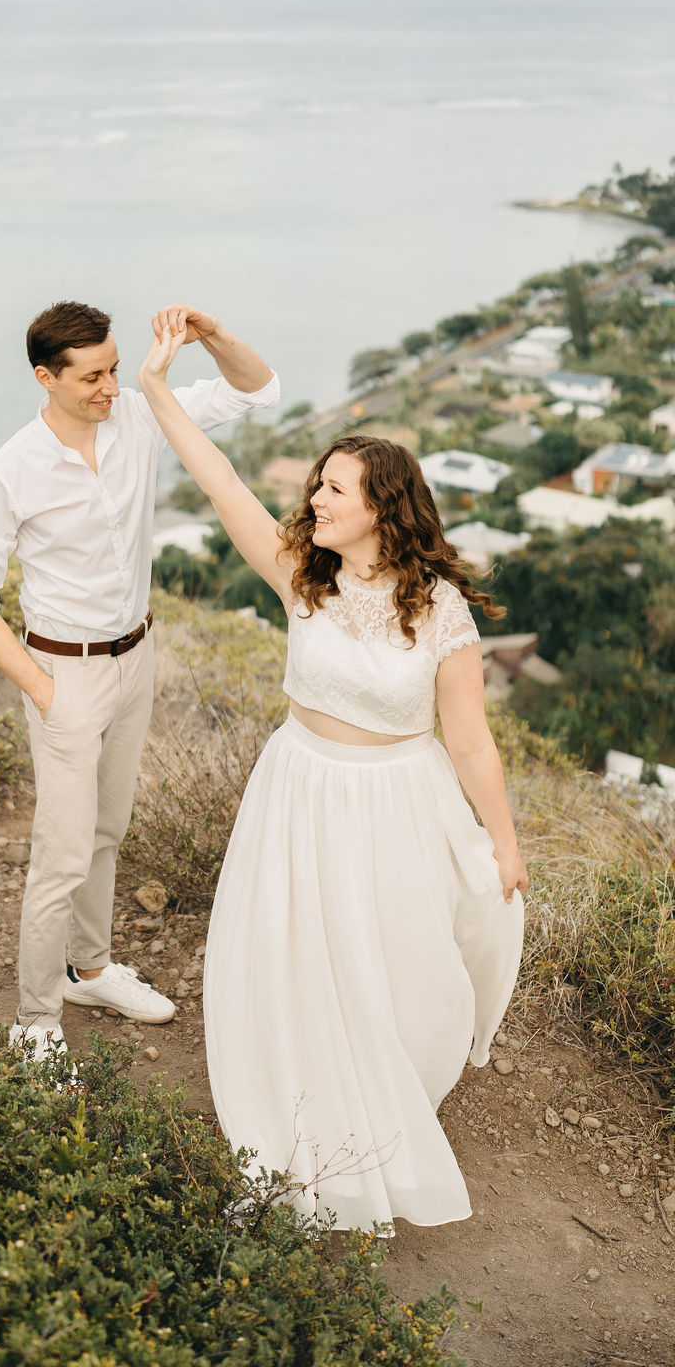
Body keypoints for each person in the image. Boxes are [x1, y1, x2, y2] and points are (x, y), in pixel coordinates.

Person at [138, 321, 527, 1233]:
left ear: (384, 506)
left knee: (390, 969)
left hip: (396, 803)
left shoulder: (442, 614)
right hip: (298, 791)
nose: (315, 497)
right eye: (318, 481)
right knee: (291, 957)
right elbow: (220, 479)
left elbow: (471, 742)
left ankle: (380, 1101)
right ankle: (294, 1122)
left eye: (334, 487)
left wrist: (502, 841)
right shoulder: (298, 576)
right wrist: (158, 388)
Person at [0, 300, 279, 1062]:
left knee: (107, 831)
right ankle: (34, 1021)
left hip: (136, 659)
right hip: (64, 672)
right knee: (60, 854)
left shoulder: (138, 416)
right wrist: (42, 687)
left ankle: (89, 968)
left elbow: (258, 391)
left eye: (116, 368)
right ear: (45, 376)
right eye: (92, 376)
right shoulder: (8, 470)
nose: (109, 386)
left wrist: (214, 336)